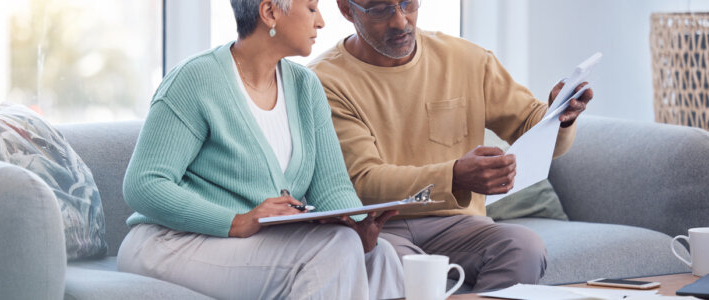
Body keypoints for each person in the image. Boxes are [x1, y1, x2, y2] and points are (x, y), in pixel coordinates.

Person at [117, 0, 404, 298]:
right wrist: (237, 221)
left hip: (250, 244)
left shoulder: (306, 86)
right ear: (269, 13)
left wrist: (360, 226)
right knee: (335, 248)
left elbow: (331, 190)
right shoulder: (195, 80)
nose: (320, 22)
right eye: (310, 8)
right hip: (172, 242)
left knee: (380, 255)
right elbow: (144, 185)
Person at [308, 0, 594, 292]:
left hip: (458, 224)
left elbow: (531, 125)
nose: (400, 21)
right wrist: (455, 176)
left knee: (525, 247)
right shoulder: (324, 81)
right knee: (395, 267)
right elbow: (365, 181)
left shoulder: (467, 59)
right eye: (380, 9)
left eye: (408, 3)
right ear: (346, 10)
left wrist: (560, 116)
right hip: (379, 227)